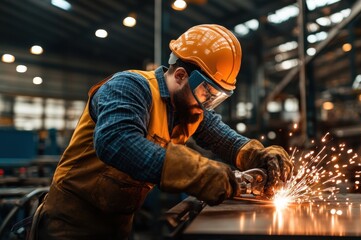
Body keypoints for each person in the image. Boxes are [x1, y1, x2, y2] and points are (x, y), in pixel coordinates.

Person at [34, 24, 293, 239]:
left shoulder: (188, 107)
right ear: (180, 75)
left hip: (119, 225)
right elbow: (116, 141)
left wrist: (259, 156)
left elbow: (224, 138)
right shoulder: (129, 86)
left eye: (217, 98)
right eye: (207, 93)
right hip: (69, 224)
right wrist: (200, 173)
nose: (207, 104)